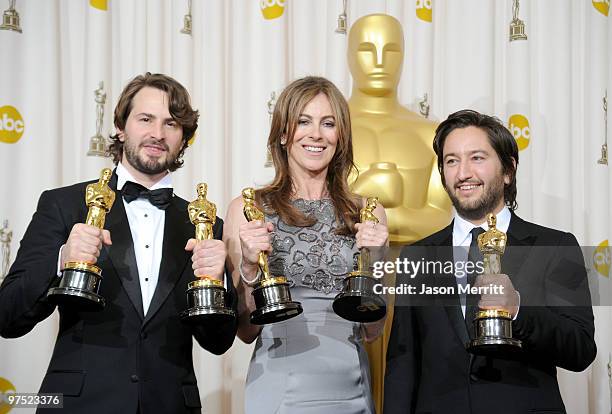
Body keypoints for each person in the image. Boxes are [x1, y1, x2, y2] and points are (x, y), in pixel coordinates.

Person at [0, 73, 237, 414]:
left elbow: (218, 342)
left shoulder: (206, 223)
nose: (157, 134)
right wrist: (61, 260)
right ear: (120, 126)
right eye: (146, 119)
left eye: (171, 123)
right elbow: (8, 316)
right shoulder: (65, 205)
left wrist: (218, 283)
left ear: (184, 137)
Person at [383, 109, 597, 413]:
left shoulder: (555, 246)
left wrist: (518, 310)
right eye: (451, 160)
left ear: (508, 170)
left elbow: (581, 349)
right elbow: (402, 363)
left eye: (477, 158)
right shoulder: (417, 256)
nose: (463, 173)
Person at [223, 76, 389, 413]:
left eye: (328, 123)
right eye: (303, 121)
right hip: (279, 391)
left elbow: (373, 330)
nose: (316, 134)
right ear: (283, 133)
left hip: (352, 391)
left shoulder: (368, 211)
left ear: (339, 136)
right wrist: (251, 267)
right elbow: (244, 330)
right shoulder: (247, 208)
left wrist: (379, 257)